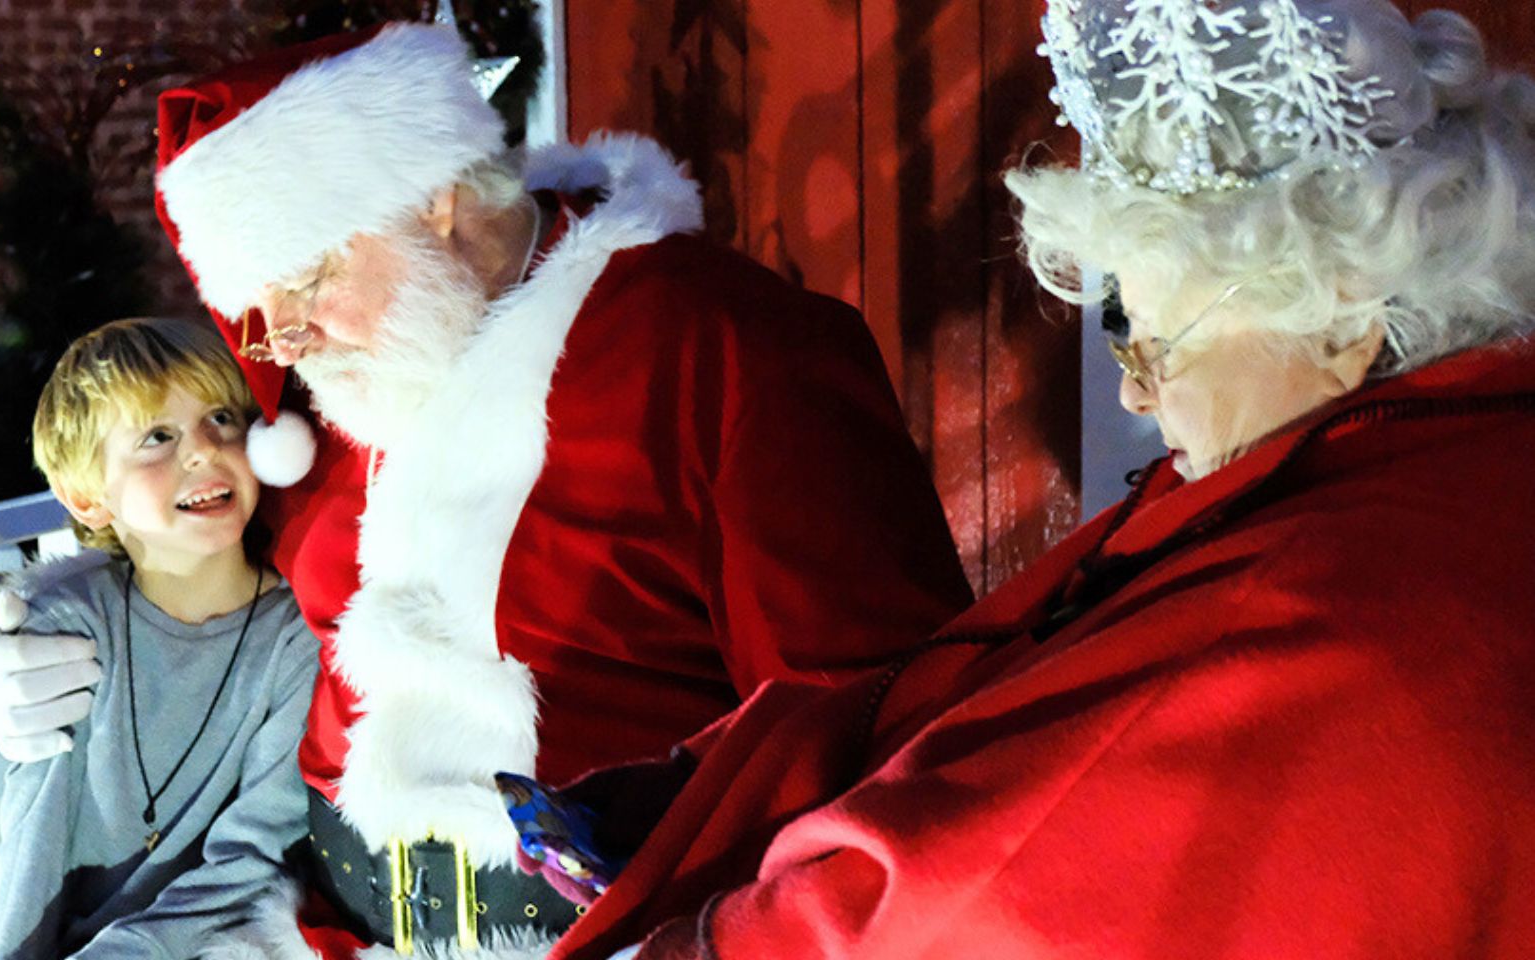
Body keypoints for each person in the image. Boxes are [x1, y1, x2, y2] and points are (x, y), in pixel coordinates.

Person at [545, 2, 1535, 957]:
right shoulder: (1419, 466)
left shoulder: (1322, 591)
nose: (1140, 399)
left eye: (1157, 346)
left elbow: (1000, 879)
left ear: (1342, 323)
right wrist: (696, 797)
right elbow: (986, 679)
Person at [0, 21, 975, 959]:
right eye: (253, 308)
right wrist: (32, 648)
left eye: (305, 280)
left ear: (436, 199)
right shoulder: (322, 398)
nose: (279, 341)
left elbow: (878, 727)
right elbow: (184, 567)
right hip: (310, 923)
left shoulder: (722, 349)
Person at [0, 318, 320, 959]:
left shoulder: (295, 640)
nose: (202, 451)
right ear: (87, 497)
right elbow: (32, 841)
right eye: (158, 436)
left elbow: (253, 858)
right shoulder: (74, 626)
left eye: (221, 418)